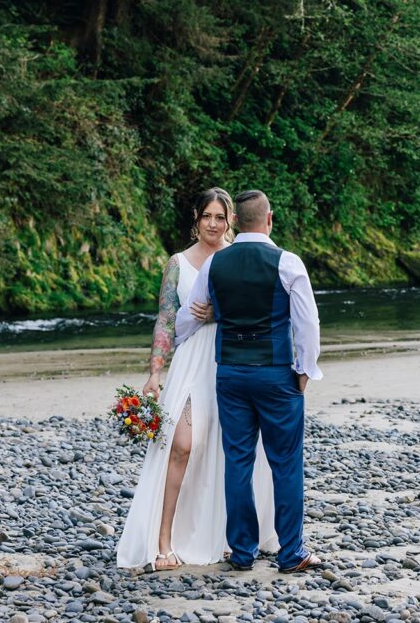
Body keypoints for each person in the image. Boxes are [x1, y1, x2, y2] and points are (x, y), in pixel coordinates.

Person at [116, 187, 277, 570]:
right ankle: (163, 540)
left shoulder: (239, 257)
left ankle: (227, 536)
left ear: (231, 221)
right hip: (192, 362)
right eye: (207, 216)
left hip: (232, 361)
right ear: (196, 218)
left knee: (234, 452)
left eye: (220, 217)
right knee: (182, 445)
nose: (213, 223)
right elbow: (166, 319)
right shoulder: (178, 262)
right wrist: (155, 372)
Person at [176, 189, 323, 573]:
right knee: (285, 462)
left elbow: (189, 316)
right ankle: (290, 553)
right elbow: (308, 323)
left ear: (236, 221)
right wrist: (306, 371)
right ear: (269, 219)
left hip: (231, 374)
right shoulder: (288, 263)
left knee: (237, 461)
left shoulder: (215, 264)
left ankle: (242, 551)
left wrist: (173, 347)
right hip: (276, 373)